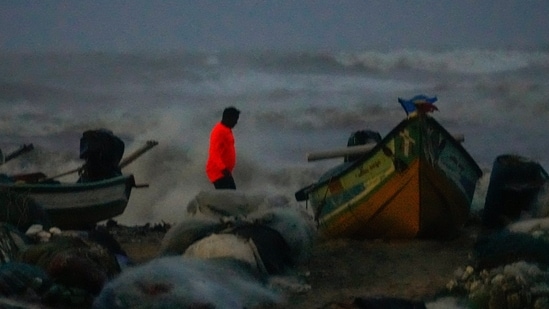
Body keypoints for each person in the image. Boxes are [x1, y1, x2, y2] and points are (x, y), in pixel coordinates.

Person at [206, 106, 240, 189]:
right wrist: (223, 169)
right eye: (235, 120)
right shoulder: (219, 131)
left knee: (230, 196)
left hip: (224, 172)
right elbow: (213, 152)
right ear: (228, 118)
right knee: (230, 196)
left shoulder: (226, 129)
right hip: (218, 172)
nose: (236, 122)